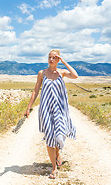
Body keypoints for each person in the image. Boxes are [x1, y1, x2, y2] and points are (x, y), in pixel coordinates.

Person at [24, 49, 78, 179]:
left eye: (54, 57)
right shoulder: (42, 73)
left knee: (59, 136)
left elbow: (75, 75)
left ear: (58, 60)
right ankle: (54, 168)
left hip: (60, 110)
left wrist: (64, 61)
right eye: (49, 57)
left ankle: (58, 153)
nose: (51, 59)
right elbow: (36, 90)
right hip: (46, 110)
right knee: (49, 137)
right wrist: (29, 107)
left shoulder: (62, 73)